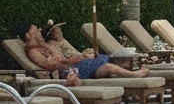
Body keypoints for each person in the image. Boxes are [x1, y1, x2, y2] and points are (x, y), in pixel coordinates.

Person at [17, 21, 148, 82]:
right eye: (35, 30)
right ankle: (134, 76)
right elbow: (49, 65)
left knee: (107, 60)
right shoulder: (33, 51)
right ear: (28, 35)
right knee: (108, 64)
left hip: (73, 67)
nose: (39, 32)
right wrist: (69, 60)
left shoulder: (44, 46)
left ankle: (133, 78)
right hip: (69, 73)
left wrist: (73, 58)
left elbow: (59, 57)